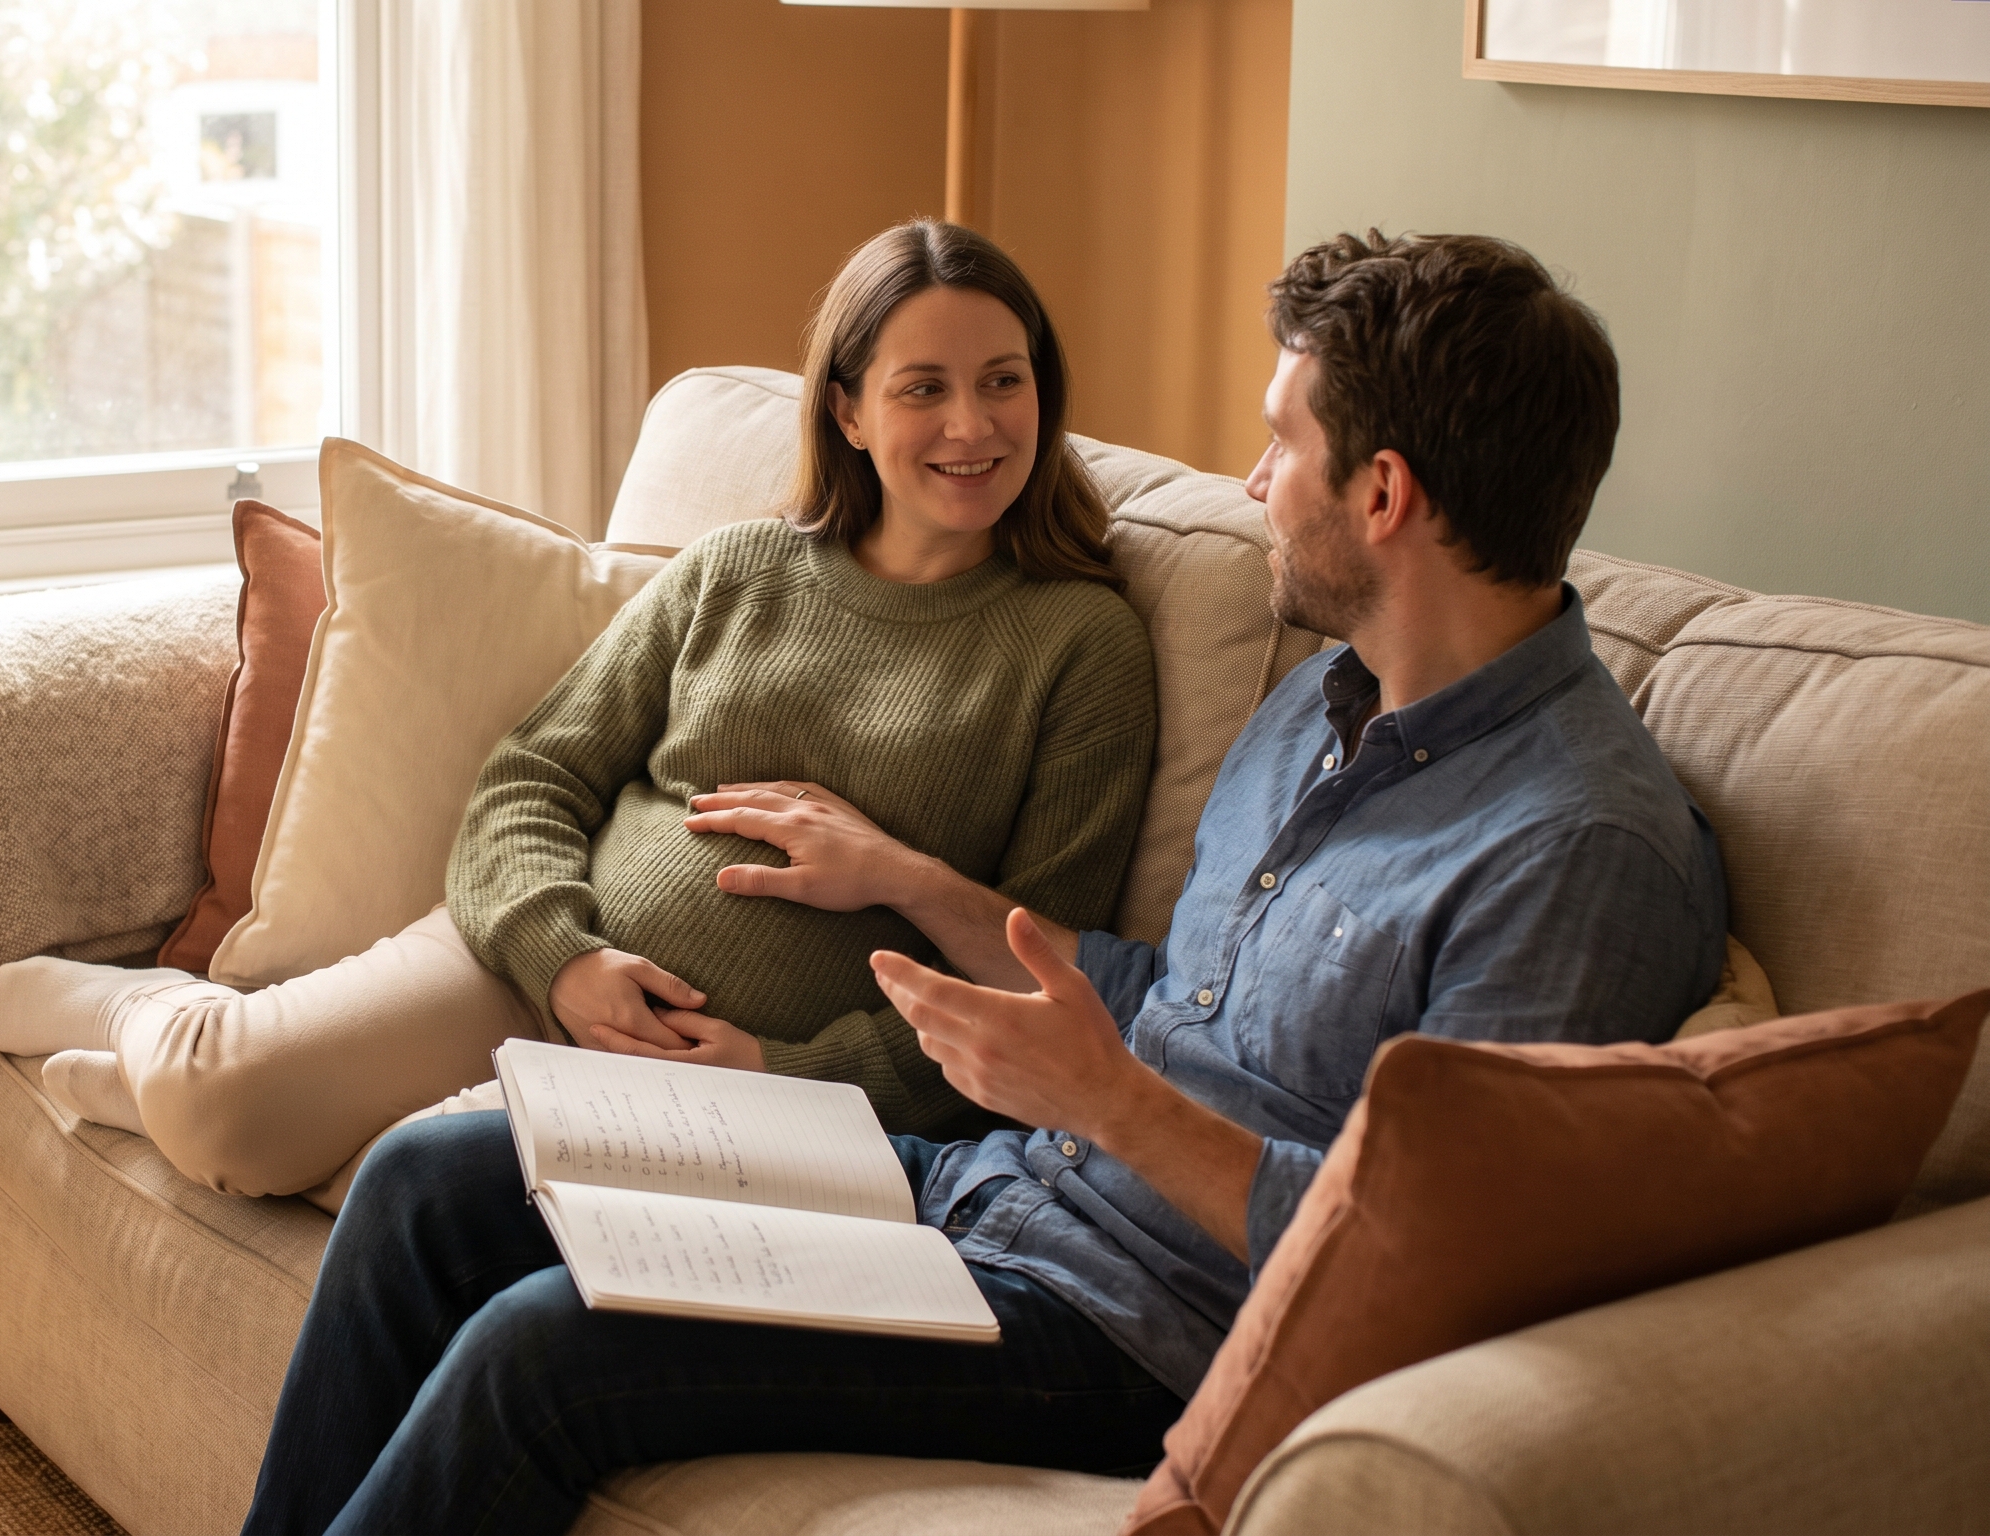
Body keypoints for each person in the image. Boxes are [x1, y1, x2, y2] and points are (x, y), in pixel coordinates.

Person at [237, 230, 1730, 1536]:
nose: (1255, 482)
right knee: (428, 1186)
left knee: (543, 1353)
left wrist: (1111, 1102)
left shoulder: (1577, 853)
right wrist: (934, 901)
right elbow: (1172, 993)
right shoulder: (1329, 708)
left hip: (1133, 1330)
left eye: (1284, 445)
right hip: (990, 1189)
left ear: (1386, 492)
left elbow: (1433, 1264)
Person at [0, 218, 1159, 1203]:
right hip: (533, 966)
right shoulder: (740, 570)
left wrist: (788, 1069)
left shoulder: (1079, 643)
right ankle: (153, 1018)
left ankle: (176, 1076)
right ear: (847, 410)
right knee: (230, 1109)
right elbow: (534, 774)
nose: (972, 425)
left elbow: (1043, 985)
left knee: (388, 1192)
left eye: (1005, 382)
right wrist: (562, 953)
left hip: (733, 1089)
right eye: (924, 389)